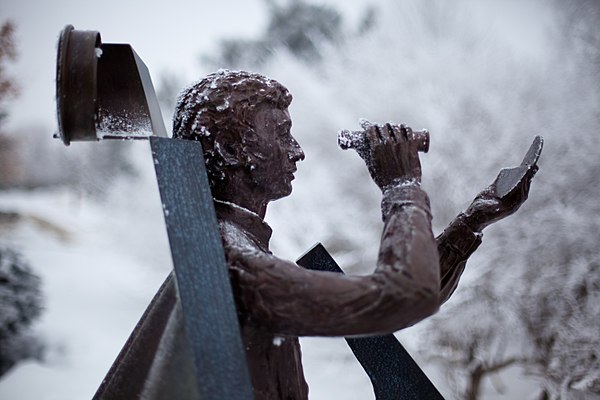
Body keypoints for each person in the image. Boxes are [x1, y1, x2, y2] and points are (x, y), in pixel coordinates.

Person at [94, 70, 540, 400]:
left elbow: (379, 303)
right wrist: (401, 186)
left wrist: (472, 222)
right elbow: (403, 296)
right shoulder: (236, 265)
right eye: (283, 135)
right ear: (231, 150)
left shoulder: (233, 249)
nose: (298, 151)